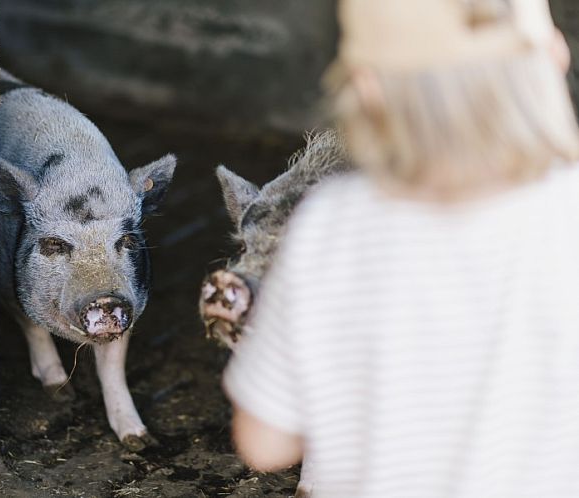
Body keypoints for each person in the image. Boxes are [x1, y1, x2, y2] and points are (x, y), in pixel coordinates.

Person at [222, 0, 579, 496]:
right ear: (554, 57)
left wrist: (256, 328)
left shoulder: (332, 222)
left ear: (366, 88)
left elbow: (264, 444)